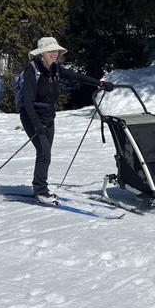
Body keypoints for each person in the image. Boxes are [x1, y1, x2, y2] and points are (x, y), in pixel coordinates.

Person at [18, 36, 115, 204]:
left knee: (45, 153)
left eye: (56, 51)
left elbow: (76, 77)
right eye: (51, 51)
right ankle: (41, 191)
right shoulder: (32, 70)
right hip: (32, 117)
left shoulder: (55, 69)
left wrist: (99, 84)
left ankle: (40, 189)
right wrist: (36, 124)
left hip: (49, 116)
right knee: (44, 153)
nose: (54, 54)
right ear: (42, 54)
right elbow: (27, 102)